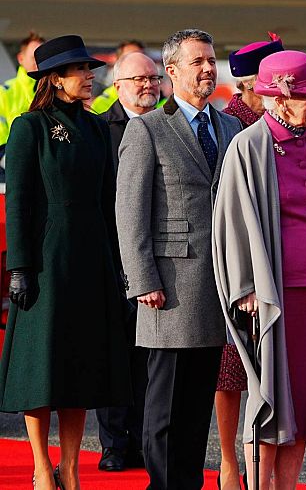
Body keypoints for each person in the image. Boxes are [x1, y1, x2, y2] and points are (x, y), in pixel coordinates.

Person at [212, 50, 306, 490]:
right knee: (269, 404)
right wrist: (245, 287)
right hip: (272, 296)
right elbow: (231, 224)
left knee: (305, 406)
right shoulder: (248, 145)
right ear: (279, 99)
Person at [0, 34, 131, 490]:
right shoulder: (29, 127)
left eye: (90, 70)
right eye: (81, 71)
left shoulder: (97, 129)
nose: (91, 77)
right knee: (42, 370)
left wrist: (118, 263)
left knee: (80, 370)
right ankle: (40, 466)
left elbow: (109, 200)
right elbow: (18, 202)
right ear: (55, 79)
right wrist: (18, 267)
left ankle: (70, 468)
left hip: (91, 257)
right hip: (45, 260)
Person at [116, 29, 242, 490]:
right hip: (167, 285)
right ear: (171, 72)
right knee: (165, 408)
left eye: (211, 60)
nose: (208, 69)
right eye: (197, 62)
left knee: (195, 408)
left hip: (218, 285)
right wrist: (142, 278)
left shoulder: (229, 128)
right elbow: (129, 211)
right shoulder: (147, 128)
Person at [215, 33, 283, 490]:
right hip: (239, 264)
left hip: (276, 262)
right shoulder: (231, 128)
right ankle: (228, 463)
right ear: (251, 85)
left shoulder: (281, 125)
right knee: (230, 370)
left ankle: (266, 463)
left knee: (268, 370)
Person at [94, 51, 162, 472]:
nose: (147, 86)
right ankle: (114, 444)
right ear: (117, 86)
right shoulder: (102, 130)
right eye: (138, 79)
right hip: (111, 260)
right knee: (113, 355)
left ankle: (143, 440)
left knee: (149, 359)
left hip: (159, 262)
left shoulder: (170, 125)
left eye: (153, 79)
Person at [0, 31, 45, 152]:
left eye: (43, 57)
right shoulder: (4, 93)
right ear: (21, 58)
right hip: (11, 162)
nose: (39, 61)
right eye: (34, 57)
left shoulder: (56, 91)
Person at [91, 40, 146, 114]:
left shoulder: (160, 100)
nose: (136, 62)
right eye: (130, 58)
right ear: (118, 62)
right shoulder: (103, 103)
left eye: (141, 58)